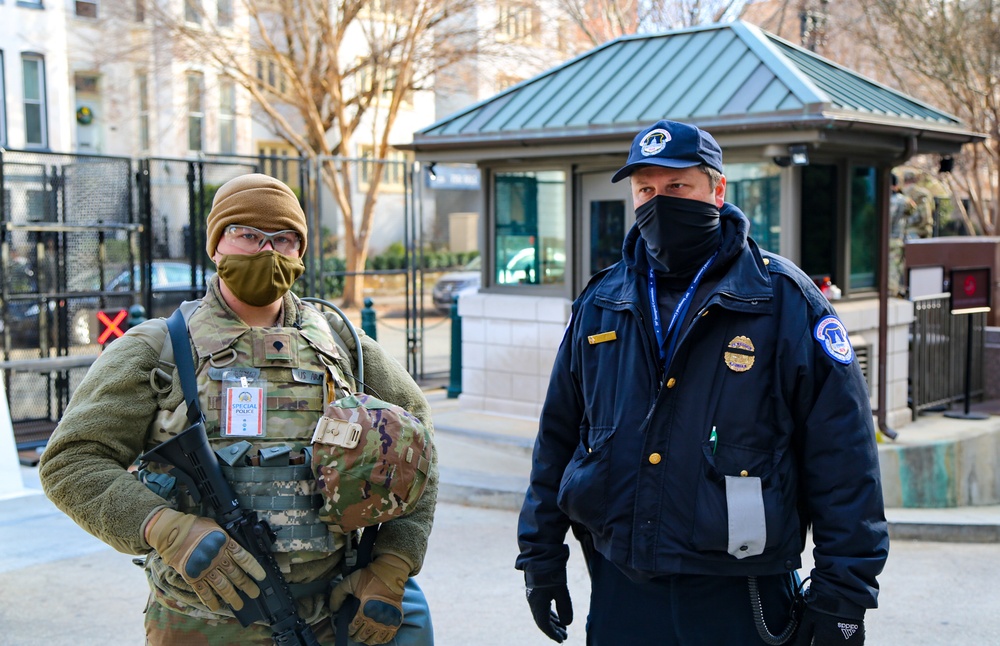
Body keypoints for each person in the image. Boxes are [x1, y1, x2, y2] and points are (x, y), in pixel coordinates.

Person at [516, 120, 888, 645]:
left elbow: (843, 457)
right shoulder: (602, 302)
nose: (659, 202)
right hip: (623, 588)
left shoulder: (784, 301)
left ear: (717, 190)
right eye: (646, 189)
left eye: (677, 187)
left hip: (740, 596)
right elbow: (558, 436)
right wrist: (540, 555)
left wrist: (843, 597)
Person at [39, 174, 438, 646]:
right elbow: (70, 461)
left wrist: (391, 565)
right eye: (247, 235)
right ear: (216, 245)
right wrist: (164, 528)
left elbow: (419, 444)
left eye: (284, 239)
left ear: (300, 251)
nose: (267, 251)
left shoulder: (341, 343)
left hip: (327, 618)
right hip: (196, 624)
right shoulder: (161, 346)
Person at [888, 173, 917, 297]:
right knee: (894, 269)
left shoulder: (881, 199)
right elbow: (913, 211)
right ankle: (891, 292)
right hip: (896, 239)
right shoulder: (903, 200)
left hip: (882, 240)